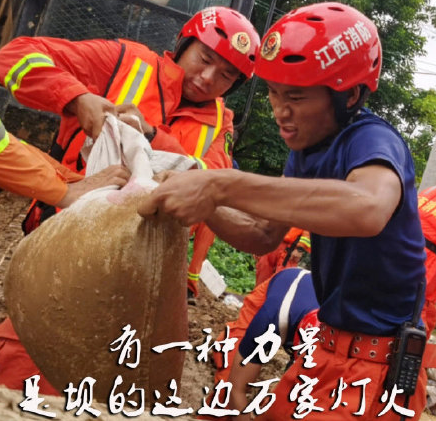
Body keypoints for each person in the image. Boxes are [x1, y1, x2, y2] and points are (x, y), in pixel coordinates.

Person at [138, 2, 427, 420]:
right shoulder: (306, 149)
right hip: (323, 351)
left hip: (374, 370)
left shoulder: (371, 141)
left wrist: (222, 183)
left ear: (348, 94)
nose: (279, 111)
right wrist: (209, 201)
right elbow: (261, 235)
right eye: (273, 92)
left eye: (295, 96)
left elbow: (368, 208)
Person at [0, 6, 260, 234]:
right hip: (61, 220)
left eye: (226, 76)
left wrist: (151, 136)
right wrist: (76, 98)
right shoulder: (124, 60)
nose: (208, 78)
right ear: (183, 43)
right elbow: (14, 55)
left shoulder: (221, 123)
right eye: (205, 59)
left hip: (144, 250)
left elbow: (214, 183)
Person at [198, 267, 319, 421]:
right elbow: (236, 389)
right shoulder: (269, 318)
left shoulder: (342, 332)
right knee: (228, 381)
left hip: (307, 321)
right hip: (280, 293)